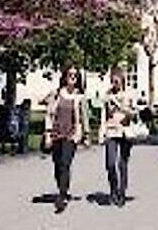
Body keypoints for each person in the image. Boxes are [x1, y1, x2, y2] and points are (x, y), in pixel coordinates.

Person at [44, 66, 90, 214]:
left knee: (65, 163)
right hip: (56, 134)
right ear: (64, 76)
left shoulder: (80, 97)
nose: (72, 77)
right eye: (70, 75)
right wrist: (48, 133)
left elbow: (84, 118)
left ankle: (62, 196)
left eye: (75, 75)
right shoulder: (57, 94)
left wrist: (85, 135)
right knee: (58, 166)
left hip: (71, 135)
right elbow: (49, 114)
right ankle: (62, 187)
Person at [99, 68, 134, 208]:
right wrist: (102, 131)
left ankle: (122, 192)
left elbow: (133, 113)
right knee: (110, 163)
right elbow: (104, 114)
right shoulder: (107, 95)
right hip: (111, 131)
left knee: (122, 164)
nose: (115, 84)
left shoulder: (129, 93)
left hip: (125, 131)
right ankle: (113, 189)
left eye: (117, 82)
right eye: (113, 81)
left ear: (122, 80)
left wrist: (121, 106)